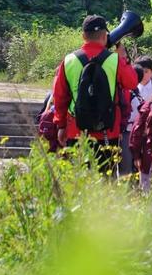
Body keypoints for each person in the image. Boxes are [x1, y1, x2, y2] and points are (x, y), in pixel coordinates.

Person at [53, 15, 138, 172]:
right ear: (105, 36)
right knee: (105, 181)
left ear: (83, 36)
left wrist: (61, 126)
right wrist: (123, 57)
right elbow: (132, 83)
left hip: (76, 130)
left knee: (78, 179)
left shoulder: (69, 60)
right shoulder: (115, 60)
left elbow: (60, 97)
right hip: (108, 131)